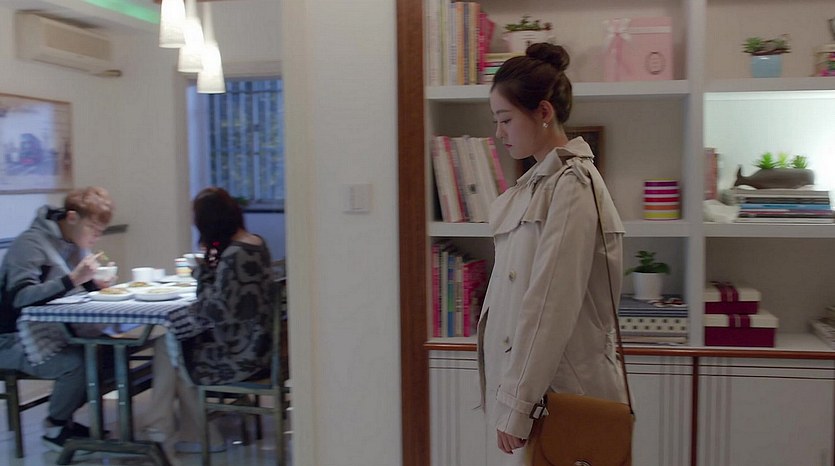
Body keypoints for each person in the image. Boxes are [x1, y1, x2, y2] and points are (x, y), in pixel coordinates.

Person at [477, 43, 628, 465]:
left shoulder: (572, 185)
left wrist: (517, 405)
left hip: (560, 397)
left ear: (543, 112)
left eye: (506, 119)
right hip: (535, 393)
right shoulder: (537, 186)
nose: (500, 133)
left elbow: (549, 304)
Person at [140, 187, 274, 454]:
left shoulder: (234, 256)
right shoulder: (256, 244)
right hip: (260, 344)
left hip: (241, 354)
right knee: (173, 345)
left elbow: (214, 310)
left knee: (172, 348)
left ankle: (172, 432)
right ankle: (175, 430)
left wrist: (201, 273)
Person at [0, 186, 115, 452]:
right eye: (93, 229)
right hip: (11, 338)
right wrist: (74, 279)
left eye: (101, 231)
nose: (96, 237)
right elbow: (20, 297)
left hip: (50, 331)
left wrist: (92, 284)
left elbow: (63, 289)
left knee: (105, 352)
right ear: (72, 218)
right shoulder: (30, 244)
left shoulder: (70, 243)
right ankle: (55, 426)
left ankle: (65, 421)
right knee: (76, 363)